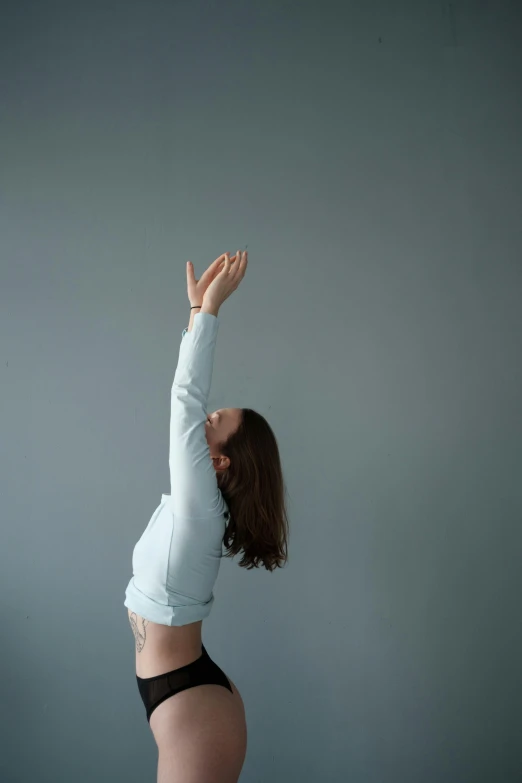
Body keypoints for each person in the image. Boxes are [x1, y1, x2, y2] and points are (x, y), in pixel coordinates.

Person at [124, 250, 290, 782]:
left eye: (213, 420)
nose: (203, 415)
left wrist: (209, 312)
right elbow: (187, 405)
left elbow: (183, 397)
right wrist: (197, 313)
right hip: (184, 695)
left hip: (192, 707)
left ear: (219, 460)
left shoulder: (199, 510)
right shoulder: (194, 506)